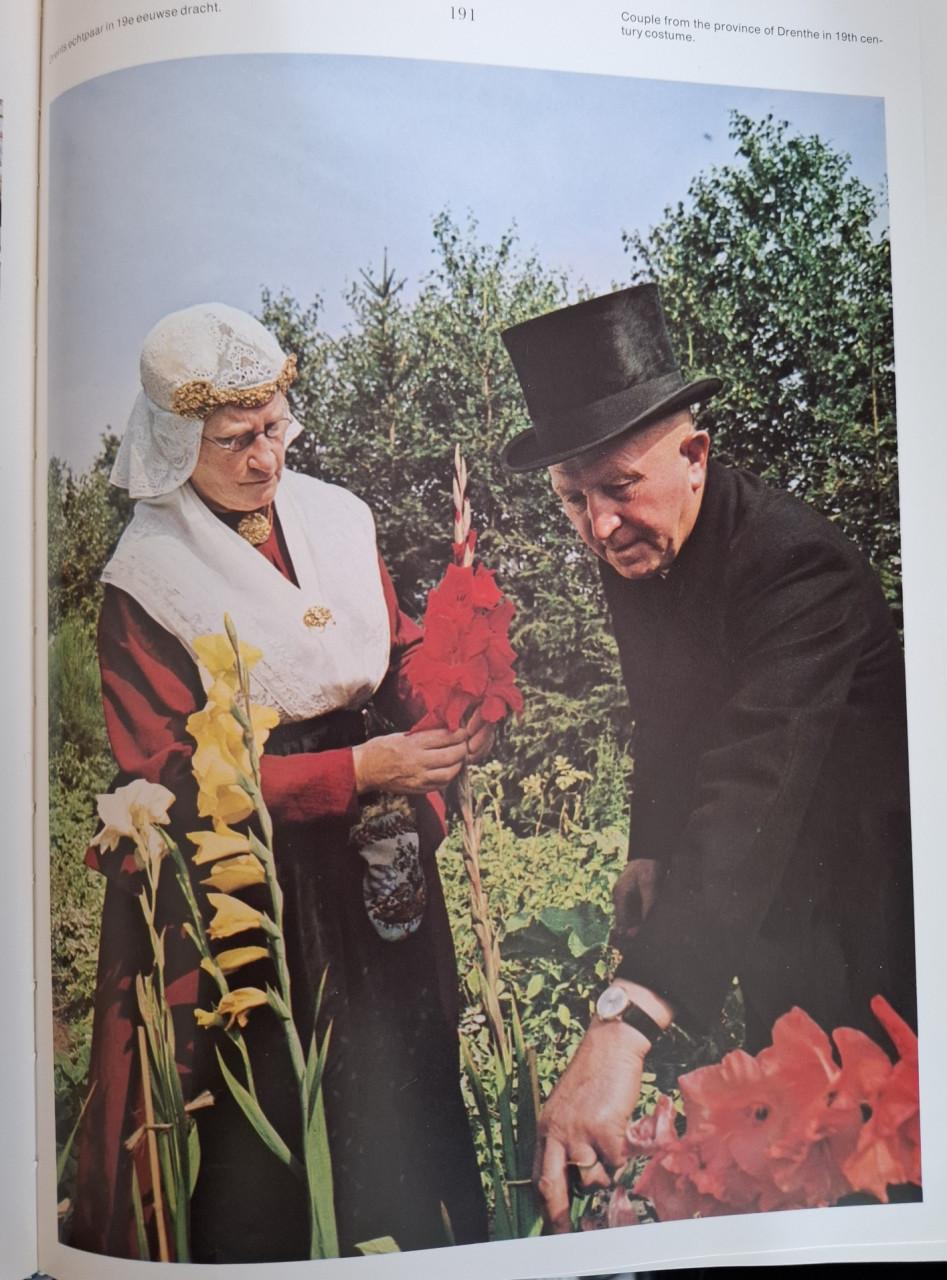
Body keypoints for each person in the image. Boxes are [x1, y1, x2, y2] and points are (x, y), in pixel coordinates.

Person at [69, 303, 489, 1261]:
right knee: (284, 1097)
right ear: (178, 444)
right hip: (252, 880)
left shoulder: (334, 516)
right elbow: (167, 777)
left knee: (401, 1073)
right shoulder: (148, 578)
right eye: (233, 441)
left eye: (274, 428)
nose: (264, 459)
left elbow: (390, 649)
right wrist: (349, 772)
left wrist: (451, 699)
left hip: (379, 853)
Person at [499, 284, 917, 1231]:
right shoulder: (644, 548)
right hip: (763, 902)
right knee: (799, 1140)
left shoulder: (794, 563)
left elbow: (751, 782)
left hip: (881, 898)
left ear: (694, 455)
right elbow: (667, 719)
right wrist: (649, 846)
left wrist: (627, 1020)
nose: (597, 528)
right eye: (572, 499)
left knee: (886, 1145)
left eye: (616, 488)